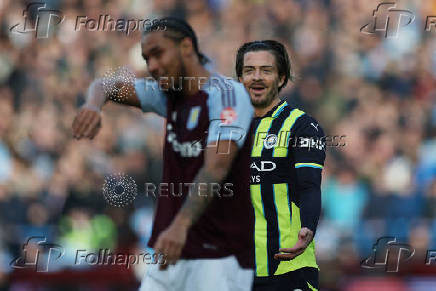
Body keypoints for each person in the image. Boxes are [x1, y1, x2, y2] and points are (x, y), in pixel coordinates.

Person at [72, 17, 255, 291]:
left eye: (158, 54)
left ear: (186, 47)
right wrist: (93, 104)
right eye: (147, 59)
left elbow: (216, 168)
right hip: (169, 251)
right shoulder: (167, 95)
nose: (153, 66)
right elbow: (106, 84)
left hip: (220, 255)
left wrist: (180, 225)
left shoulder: (227, 95)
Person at [236, 40, 326, 291]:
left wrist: (307, 228)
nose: (256, 77)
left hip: (289, 265)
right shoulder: (225, 130)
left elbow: (309, 186)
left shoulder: (302, 126)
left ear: (281, 77)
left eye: (266, 70)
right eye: (249, 70)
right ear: (240, 77)